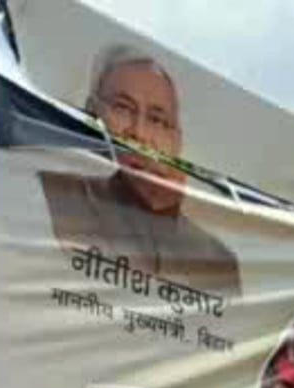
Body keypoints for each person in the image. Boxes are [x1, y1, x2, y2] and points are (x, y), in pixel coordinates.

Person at [39, 47, 241, 295]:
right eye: (123, 108)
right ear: (90, 113)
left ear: (176, 142)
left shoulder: (216, 261)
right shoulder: (48, 199)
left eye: (156, 120)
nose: (139, 133)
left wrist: (166, 216)